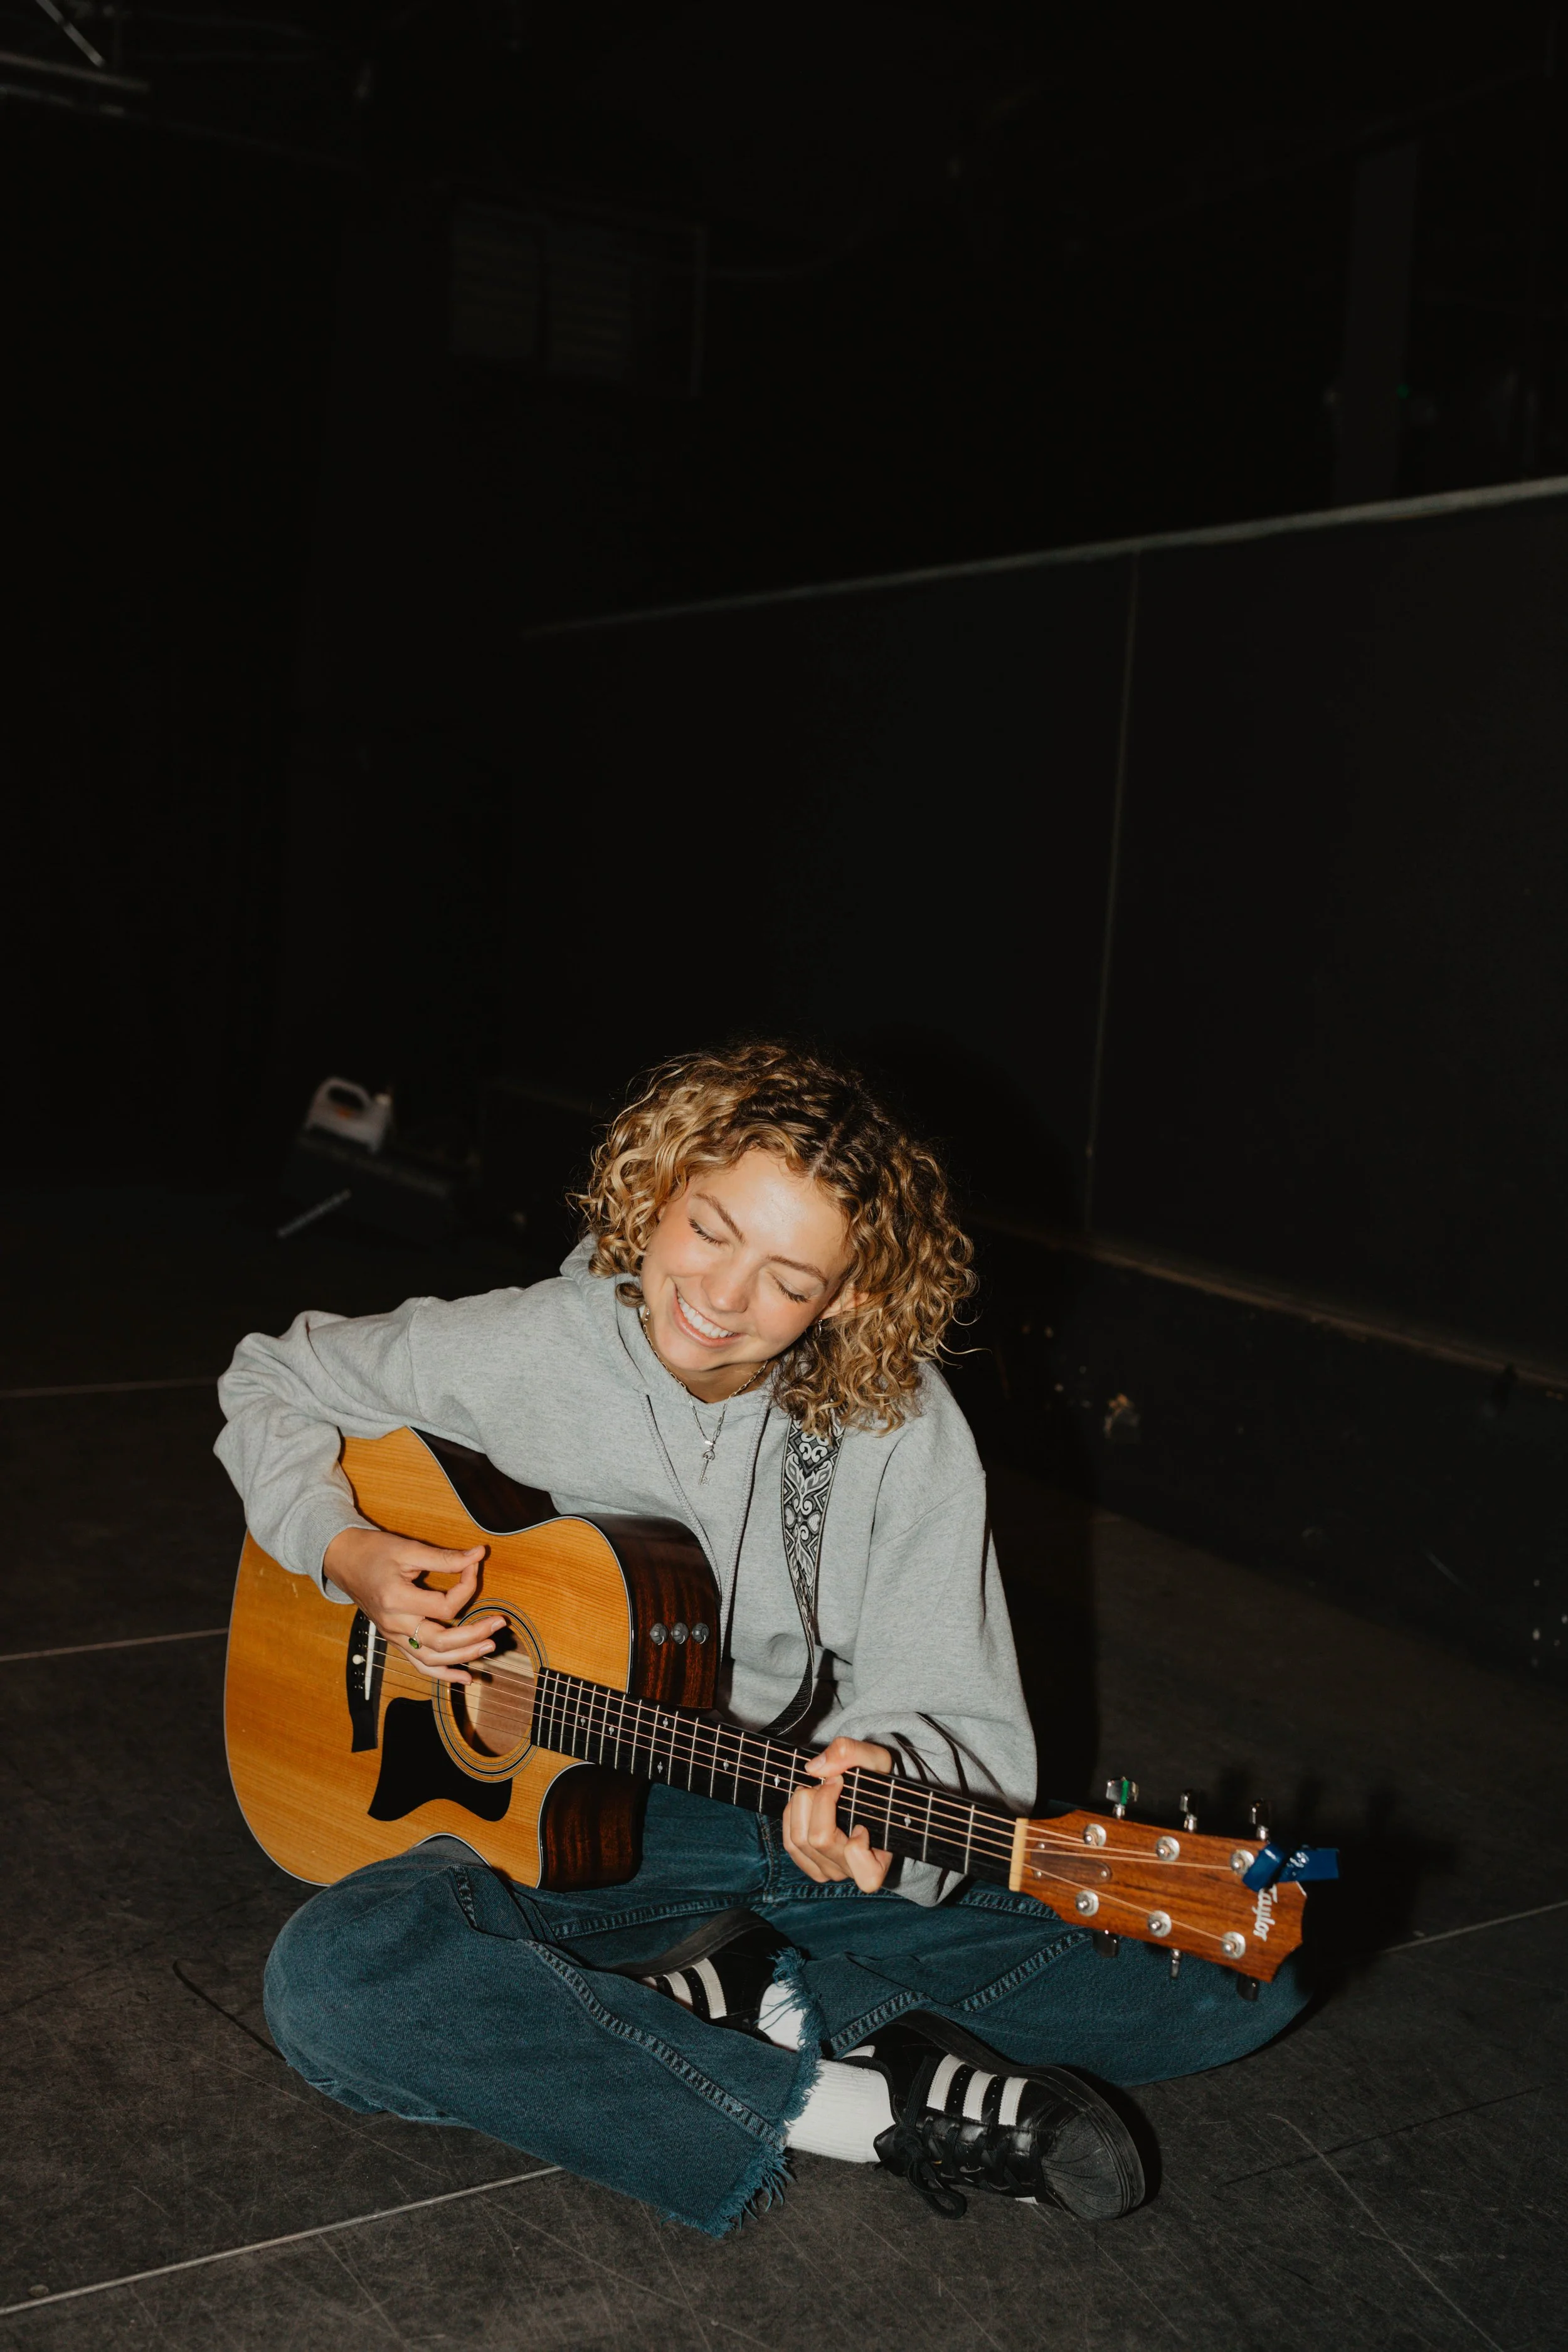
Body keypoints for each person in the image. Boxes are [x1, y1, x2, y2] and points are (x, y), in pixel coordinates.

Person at [216, 1040, 1306, 2237]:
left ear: (848, 1294)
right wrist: (345, 1549)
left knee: (1230, 1989)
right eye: (710, 1227)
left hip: (769, 1823)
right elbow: (273, 1376)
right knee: (336, 1981)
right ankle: (856, 2100)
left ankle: (718, 1988)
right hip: (533, 1844)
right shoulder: (535, 1344)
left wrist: (892, 1768)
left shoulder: (894, 1431)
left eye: (790, 1278)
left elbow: (965, 1719)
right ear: (659, 1185)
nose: (724, 1297)